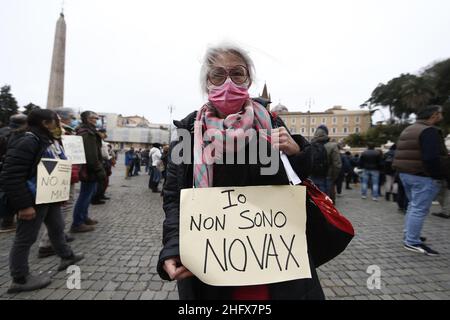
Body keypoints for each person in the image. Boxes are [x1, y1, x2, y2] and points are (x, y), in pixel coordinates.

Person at [158, 44, 324, 300]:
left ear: (248, 80)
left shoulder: (271, 123)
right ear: (206, 83)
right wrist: (172, 246)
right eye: (217, 74)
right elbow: (173, 198)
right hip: (211, 260)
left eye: (237, 73)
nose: (228, 81)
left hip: (272, 260)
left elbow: (297, 180)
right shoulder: (187, 133)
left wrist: (298, 153)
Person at [0, 109, 84, 293]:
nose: (60, 125)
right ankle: (20, 278)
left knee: (57, 227)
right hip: (33, 199)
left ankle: (66, 256)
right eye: (57, 121)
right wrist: (24, 205)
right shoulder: (28, 141)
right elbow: (11, 176)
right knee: (25, 238)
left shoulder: (47, 140)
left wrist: (59, 193)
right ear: (46, 123)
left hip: (48, 197)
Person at [393, 105, 449, 256]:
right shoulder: (428, 131)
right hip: (423, 175)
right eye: (440, 114)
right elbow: (431, 157)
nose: (441, 117)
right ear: (434, 115)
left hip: (406, 173)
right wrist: (438, 175)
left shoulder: (409, 129)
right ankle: (412, 241)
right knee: (419, 208)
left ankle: (410, 234)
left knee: (413, 206)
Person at [38, 108, 77, 258]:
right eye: (71, 117)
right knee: (61, 208)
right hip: (55, 175)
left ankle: (58, 236)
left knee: (63, 208)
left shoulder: (64, 131)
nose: (73, 120)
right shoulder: (52, 134)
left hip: (62, 172)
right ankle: (47, 243)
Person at [71, 111, 106, 233]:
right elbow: (91, 155)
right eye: (93, 118)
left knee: (88, 194)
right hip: (89, 169)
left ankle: (84, 217)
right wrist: (98, 169)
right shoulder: (87, 132)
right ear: (86, 119)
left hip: (90, 168)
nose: (95, 120)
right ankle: (77, 222)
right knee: (85, 196)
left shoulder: (88, 131)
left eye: (96, 118)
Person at [0, 114, 28, 233]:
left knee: (5, 193)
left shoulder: (4, 131)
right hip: (12, 166)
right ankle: (7, 222)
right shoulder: (20, 136)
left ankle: (7, 220)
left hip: (3, 165)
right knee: (11, 194)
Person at [309, 125, 342, 202]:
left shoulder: (310, 145)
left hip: (311, 176)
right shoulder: (332, 146)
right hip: (327, 176)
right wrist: (333, 177)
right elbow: (337, 165)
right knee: (325, 200)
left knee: (312, 199)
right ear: (326, 133)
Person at [91, 128, 111, 204]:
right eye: (104, 133)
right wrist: (110, 157)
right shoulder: (102, 143)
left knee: (102, 181)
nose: (105, 135)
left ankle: (100, 195)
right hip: (102, 162)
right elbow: (105, 155)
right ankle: (96, 197)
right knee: (101, 181)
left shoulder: (101, 142)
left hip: (101, 162)